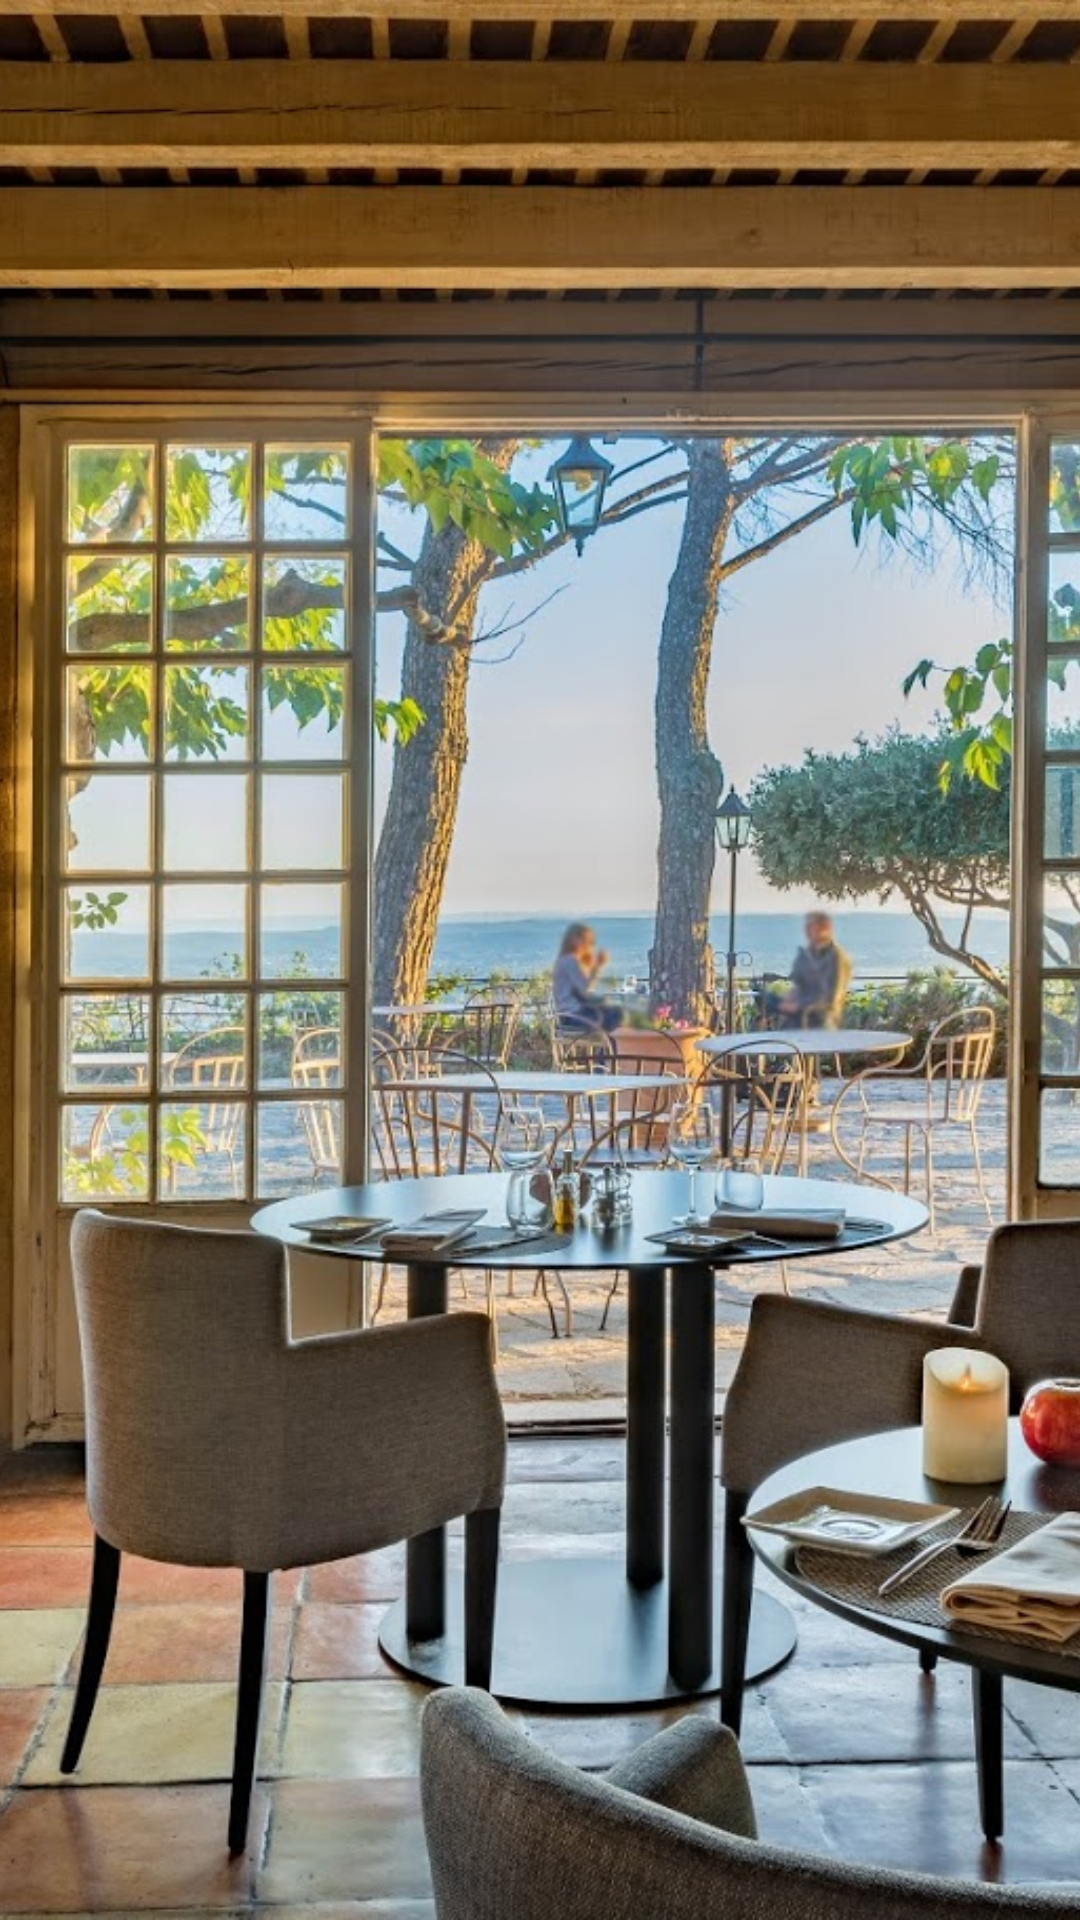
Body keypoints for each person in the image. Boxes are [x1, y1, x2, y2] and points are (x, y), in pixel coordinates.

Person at [779, 911, 851, 1030]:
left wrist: (796, 1006)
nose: (806, 930)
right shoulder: (805, 955)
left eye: (810, 926)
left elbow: (831, 997)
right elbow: (798, 985)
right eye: (806, 926)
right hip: (795, 1022)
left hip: (819, 1023)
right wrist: (787, 999)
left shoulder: (836, 958)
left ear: (825, 927)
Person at [552, 923, 621, 1037]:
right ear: (575, 940)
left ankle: (607, 1052)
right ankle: (610, 1053)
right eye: (587, 941)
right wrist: (597, 966)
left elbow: (581, 992)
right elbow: (585, 990)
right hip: (573, 1018)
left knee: (612, 1014)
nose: (590, 945)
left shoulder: (565, 960)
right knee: (616, 1016)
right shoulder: (570, 961)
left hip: (568, 1016)